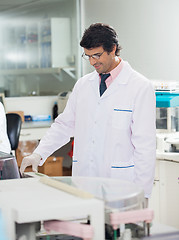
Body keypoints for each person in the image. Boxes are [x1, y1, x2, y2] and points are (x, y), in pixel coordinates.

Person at [20, 23, 156, 199]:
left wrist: (143, 194)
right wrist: (39, 153)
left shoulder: (139, 87)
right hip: (85, 181)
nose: (92, 62)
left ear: (113, 49)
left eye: (97, 55)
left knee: (118, 225)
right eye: (88, 56)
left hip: (121, 185)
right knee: (87, 224)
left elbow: (145, 146)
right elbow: (64, 125)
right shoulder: (83, 85)